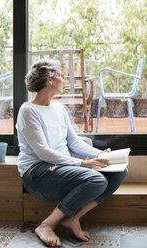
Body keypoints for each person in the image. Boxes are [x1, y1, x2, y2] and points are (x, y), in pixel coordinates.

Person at [16, 59, 128, 247]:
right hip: (37, 174)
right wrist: (83, 164)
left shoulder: (59, 108)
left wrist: (100, 155)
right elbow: (44, 152)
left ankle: (73, 218)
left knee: (119, 171)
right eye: (61, 76)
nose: (65, 80)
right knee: (97, 180)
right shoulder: (28, 110)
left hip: (59, 168)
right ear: (50, 80)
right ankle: (46, 225)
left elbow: (74, 142)